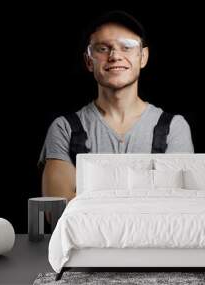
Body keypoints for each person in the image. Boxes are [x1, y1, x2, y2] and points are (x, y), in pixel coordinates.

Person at [38, 10, 194, 203]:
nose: (114, 56)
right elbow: (57, 214)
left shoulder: (174, 128)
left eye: (127, 47)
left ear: (143, 56)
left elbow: (175, 208)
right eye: (102, 48)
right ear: (88, 60)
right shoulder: (64, 129)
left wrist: (87, 200)